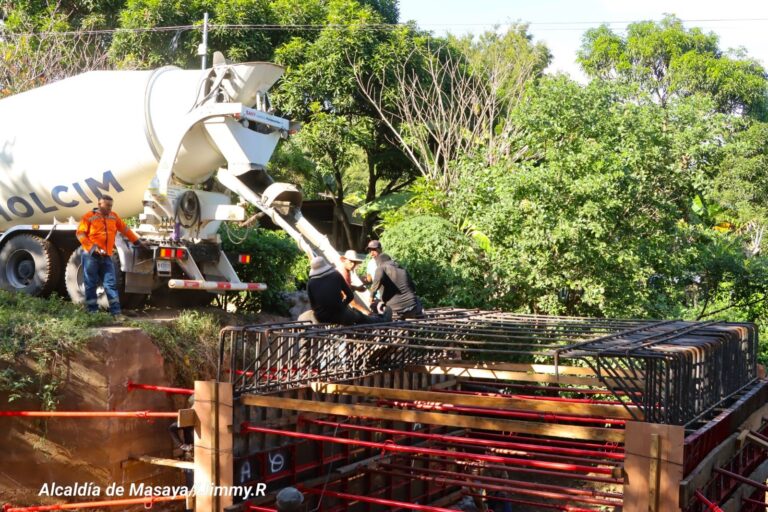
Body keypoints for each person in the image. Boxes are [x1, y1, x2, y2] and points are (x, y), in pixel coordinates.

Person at [75, 195, 146, 316]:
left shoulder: (113, 216)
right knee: (91, 284)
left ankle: (116, 313)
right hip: (90, 256)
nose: (109, 208)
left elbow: (125, 229)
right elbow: (80, 234)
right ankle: (92, 312)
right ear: (99, 204)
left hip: (107, 257)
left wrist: (138, 242)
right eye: (107, 205)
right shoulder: (89, 217)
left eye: (111, 206)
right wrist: (93, 248)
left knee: (111, 285)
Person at [306, 256, 387, 325]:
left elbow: (313, 306)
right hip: (339, 314)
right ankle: (382, 320)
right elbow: (350, 296)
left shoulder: (310, 283)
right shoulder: (336, 275)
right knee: (359, 316)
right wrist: (342, 305)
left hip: (321, 318)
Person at [369, 253, 424, 320]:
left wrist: (371, 297)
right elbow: (413, 288)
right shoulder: (402, 269)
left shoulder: (381, 268)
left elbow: (376, 283)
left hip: (394, 310)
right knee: (417, 300)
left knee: (374, 306)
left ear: (379, 262)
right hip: (412, 308)